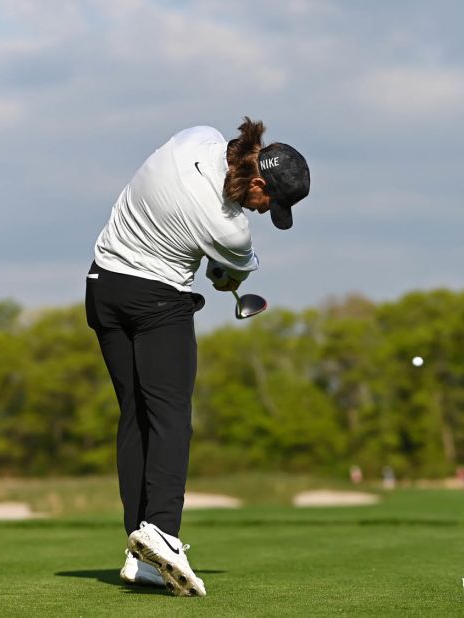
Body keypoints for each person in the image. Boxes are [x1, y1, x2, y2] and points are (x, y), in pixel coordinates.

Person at [84, 117, 311, 596]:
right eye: (269, 202)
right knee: (171, 417)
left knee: (136, 415)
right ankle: (162, 530)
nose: (267, 212)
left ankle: (140, 551)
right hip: (155, 300)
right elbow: (229, 275)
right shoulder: (231, 233)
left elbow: (190, 204)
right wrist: (225, 277)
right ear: (255, 182)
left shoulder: (199, 135)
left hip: (102, 285)